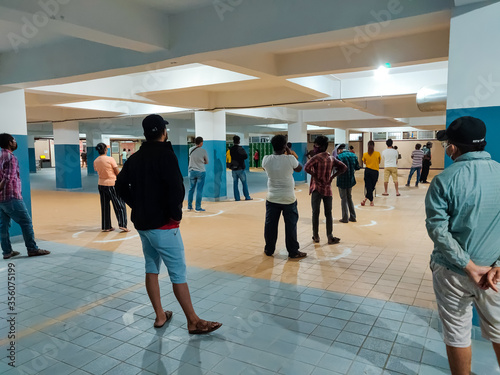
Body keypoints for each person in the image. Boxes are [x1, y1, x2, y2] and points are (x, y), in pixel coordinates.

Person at [115, 114, 222, 334]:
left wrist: (137, 204)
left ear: (146, 134)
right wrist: (175, 216)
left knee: (151, 268)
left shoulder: (135, 158)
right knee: (178, 273)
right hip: (164, 225)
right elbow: (176, 189)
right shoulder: (166, 156)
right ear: (164, 132)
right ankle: (193, 321)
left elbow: (120, 186)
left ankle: (160, 315)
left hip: (143, 225)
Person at [425, 116, 500, 375]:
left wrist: (468, 266)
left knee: (457, 332)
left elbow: (437, 229)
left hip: (452, 273)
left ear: (453, 148)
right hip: (494, 274)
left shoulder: (444, 180)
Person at [0, 133, 50, 260]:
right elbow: (8, 178)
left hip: (1, 199)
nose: (15, 142)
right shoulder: (11, 157)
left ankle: (7, 251)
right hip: (11, 196)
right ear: (9, 142)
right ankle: (32, 249)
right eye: (14, 140)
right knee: (26, 222)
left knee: (3, 225)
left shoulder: (0, 155)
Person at [262, 135, 305, 259]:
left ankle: (269, 249)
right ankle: (293, 251)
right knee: (290, 226)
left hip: (272, 198)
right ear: (285, 145)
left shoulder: (266, 159)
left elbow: (267, 167)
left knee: (270, 225)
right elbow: (299, 168)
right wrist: (289, 152)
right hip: (288, 199)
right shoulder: (290, 159)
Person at [304, 135, 347, 244]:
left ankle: (316, 236)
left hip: (316, 189)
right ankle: (329, 236)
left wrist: (315, 175)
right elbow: (344, 168)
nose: (314, 147)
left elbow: (306, 168)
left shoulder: (316, 158)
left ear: (321, 146)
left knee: (315, 213)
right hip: (328, 190)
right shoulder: (331, 158)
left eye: (316, 145)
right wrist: (332, 177)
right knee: (328, 213)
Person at [93, 143, 129, 232]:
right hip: (112, 184)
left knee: (105, 206)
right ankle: (123, 225)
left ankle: (106, 226)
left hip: (101, 185)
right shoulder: (110, 159)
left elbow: (97, 170)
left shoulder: (96, 161)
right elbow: (117, 172)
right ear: (106, 149)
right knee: (119, 204)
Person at [336, 144, 360, 223]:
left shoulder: (339, 157)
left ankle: (345, 218)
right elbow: (357, 167)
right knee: (349, 197)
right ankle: (353, 216)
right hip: (350, 180)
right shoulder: (353, 155)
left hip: (342, 180)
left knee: (343, 198)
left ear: (339, 150)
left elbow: (336, 168)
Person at [187, 136, 208, 212]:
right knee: (199, 190)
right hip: (201, 171)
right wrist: (202, 162)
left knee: (191, 189)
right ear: (201, 143)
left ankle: (189, 206)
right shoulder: (203, 151)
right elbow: (207, 161)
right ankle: (198, 207)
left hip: (192, 171)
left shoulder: (190, 149)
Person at [229, 135, 252, 201]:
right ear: (239, 141)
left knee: (235, 184)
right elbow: (245, 156)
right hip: (240, 168)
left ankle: (237, 198)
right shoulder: (240, 149)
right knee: (244, 183)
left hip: (234, 168)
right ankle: (247, 196)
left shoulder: (231, 149)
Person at [361, 140, 380, 206]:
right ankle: (371, 201)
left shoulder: (365, 154)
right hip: (375, 172)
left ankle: (365, 200)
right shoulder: (377, 154)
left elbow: (364, 162)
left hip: (367, 171)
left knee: (369, 187)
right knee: (372, 187)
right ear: (374, 146)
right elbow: (379, 162)